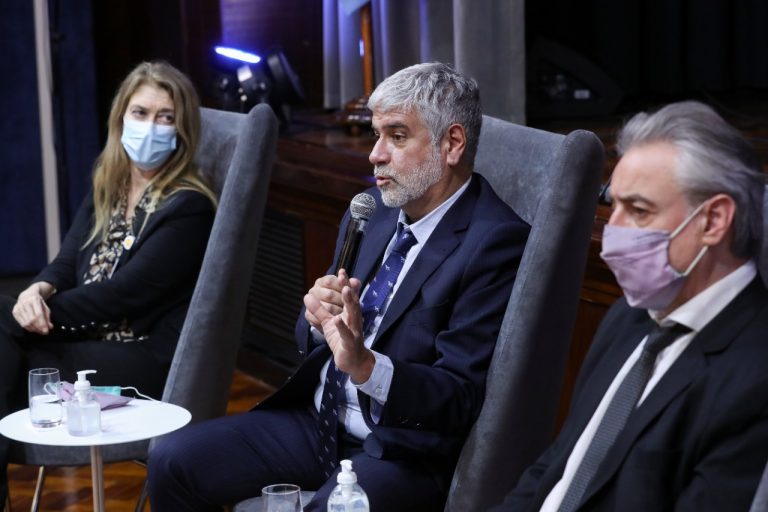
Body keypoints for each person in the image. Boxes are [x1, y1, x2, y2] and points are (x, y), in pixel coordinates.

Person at [147, 62, 530, 511]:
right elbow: (314, 335)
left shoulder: (494, 242)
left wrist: (366, 366)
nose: (375, 155)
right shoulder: (371, 212)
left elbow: (459, 398)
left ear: (452, 144)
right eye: (376, 135)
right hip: (319, 421)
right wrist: (317, 320)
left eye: (397, 136)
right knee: (173, 461)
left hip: (400, 449)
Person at [493, 101, 768, 511]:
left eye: (639, 210)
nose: (613, 231)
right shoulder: (630, 315)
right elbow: (555, 467)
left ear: (713, 221)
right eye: (613, 205)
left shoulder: (754, 379)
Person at [0, 61, 216, 503]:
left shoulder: (189, 207)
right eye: (140, 113)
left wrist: (33, 316)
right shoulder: (111, 183)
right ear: (121, 118)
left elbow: (121, 296)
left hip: (140, 356)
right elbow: (65, 262)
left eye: (165, 117)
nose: (150, 126)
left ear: (182, 130)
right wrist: (36, 292)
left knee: (8, 345)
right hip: (86, 339)